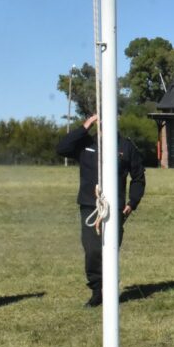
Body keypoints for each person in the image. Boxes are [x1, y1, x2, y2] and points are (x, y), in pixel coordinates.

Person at [56, 114, 145, 308]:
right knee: (92, 249)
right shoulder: (86, 143)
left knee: (112, 247)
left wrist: (133, 202)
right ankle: (98, 291)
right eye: (101, 120)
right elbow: (62, 148)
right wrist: (85, 125)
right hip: (90, 204)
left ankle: (111, 289)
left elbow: (138, 176)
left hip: (116, 207)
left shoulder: (126, 146)